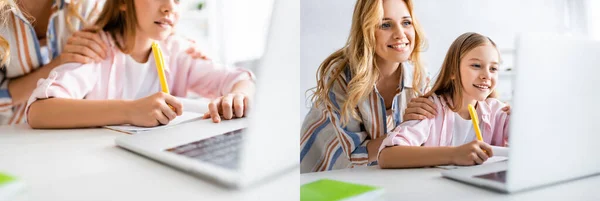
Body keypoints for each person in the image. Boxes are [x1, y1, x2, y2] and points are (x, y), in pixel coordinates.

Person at [26, 0, 254, 128]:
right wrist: (129, 110)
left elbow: (241, 80)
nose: (169, 7)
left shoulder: (176, 52)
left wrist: (238, 96)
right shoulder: (97, 50)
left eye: (176, 0)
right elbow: (39, 111)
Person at [300, 0, 435, 173]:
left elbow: (423, 138)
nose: (400, 34)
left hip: (371, 171)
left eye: (406, 22)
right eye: (385, 24)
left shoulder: (419, 76)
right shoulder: (341, 76)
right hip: (320, 167)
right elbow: (356, 152)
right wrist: (406, 128)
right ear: (366, 30)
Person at [378, 32, 510, 169]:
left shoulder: (497, 112)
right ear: (453, 70)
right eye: (476, 66)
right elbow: (387, 156)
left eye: (493, 68)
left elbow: (530, 144)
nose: (487, 75)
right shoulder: (431, 109)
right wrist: (454, 155)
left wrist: (522, 121)